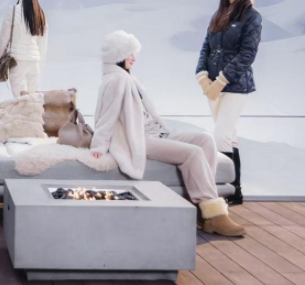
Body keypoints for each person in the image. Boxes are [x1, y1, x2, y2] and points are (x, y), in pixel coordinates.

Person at [90, 30, 246, 237]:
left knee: (206, 140)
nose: (134, 57)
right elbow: (106, 116)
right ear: (118, 55)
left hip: (156, 134)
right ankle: (213, 215)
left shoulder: (127, 77)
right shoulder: (117, 80)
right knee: (193, 153)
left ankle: (201, 209)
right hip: (138, 139)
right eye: (129, 53)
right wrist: (99, 146)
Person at [195, 0, 262, 205]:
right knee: (229, 138)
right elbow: (206, 47)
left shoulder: (251, 16)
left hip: (235, 85)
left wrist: (222, 80)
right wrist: (202, 76)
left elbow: (247, 54)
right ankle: (235, 191)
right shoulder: (219, 13)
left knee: (220, 135)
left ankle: (221, 191)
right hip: (212, 86)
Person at [0, 0, 48, 97]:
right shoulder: (40, 14)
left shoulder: (13, 11)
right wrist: (39, 62)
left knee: (21, 101)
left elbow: (3, 38)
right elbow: (42, 43)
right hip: (34, 63)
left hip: (17, 62)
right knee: (32, 102)